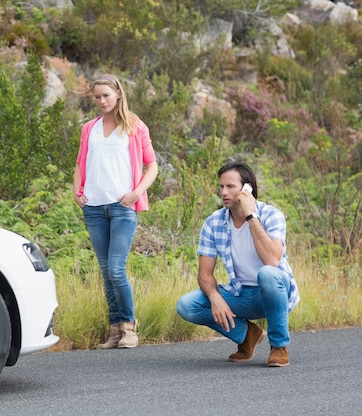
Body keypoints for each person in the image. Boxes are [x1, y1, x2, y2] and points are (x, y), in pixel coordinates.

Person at [176, 161, 300, 366]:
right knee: (187, 305)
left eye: (230, 186)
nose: (224, 192)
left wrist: (251, 215)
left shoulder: (271, 215)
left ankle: (278, 346)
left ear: (246, 188)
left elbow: (272, 260)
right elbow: (205, 273)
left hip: (273, 290)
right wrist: (215, 297)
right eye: (222, 186)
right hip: (240, 293)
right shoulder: (213, 222)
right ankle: (247, 336)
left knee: (267, 274)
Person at [73, 74, 158, 349]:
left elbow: (152, 165)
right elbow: (79, 164)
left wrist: (137, 192)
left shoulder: (135, 126)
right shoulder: (90, 128)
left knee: (116, 269)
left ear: (118, 94)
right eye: (97, 97)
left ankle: (129, 328)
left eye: (106, 95)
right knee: (104, 269)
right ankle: (114, 330)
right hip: (94, 208)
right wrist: (78, 192)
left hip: (122, 207)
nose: (101, 101)